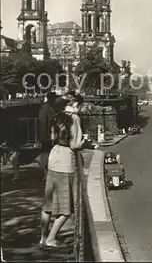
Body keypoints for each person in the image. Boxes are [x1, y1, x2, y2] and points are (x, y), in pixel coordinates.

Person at [39, 93, 88, 247]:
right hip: (66, 162)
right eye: (80, 106)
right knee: (66, 208)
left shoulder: (58, 116)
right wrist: (85, 141)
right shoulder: (75, 118)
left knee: (48, 205)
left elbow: (53, 137)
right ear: (76, 105)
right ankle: (51, 239)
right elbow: (74, 145)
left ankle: (42, 238)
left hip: (54, 157)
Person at [36, 92, 58, 180]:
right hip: (47, 136)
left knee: (47, 154)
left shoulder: (50, 107)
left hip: (50, 135)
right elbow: (42, 123)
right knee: (45, 154)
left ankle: (47, 173)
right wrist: (43, 137)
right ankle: (46, 173)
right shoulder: (45, 108)